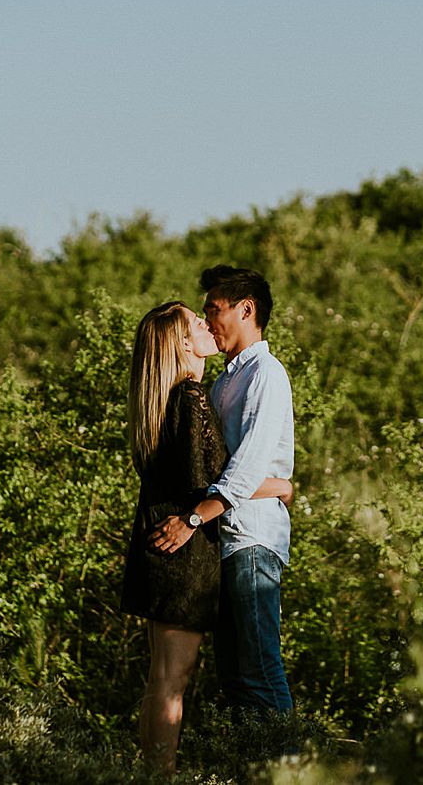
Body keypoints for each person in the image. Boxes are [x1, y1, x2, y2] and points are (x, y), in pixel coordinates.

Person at [120, 300, 293, 774]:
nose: (206, 325)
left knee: (162, 677)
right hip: (184, 552)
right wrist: (281, 485)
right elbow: (217, 478)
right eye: (196, 322)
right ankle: (161, 774)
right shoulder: (191, 397)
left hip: (161, 546)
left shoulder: (164, 402)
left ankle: (152, 771)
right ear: (180, 343)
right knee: (172, 680)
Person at [151, 266, 295, 715]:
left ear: (245, 309)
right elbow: (222, 468)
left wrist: (193, 519)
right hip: (227, 542)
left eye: (215, 309)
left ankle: (292, 766)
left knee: (259, 670)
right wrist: (280, 486)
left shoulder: (265, 374)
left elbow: (247, 466)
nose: (209, 320)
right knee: (234, 679)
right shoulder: (225, 380)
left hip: (252, 540)